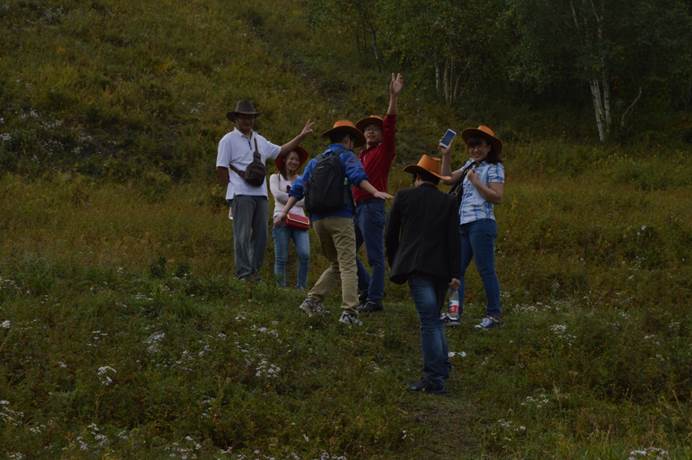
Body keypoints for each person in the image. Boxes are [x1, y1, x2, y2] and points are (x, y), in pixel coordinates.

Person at [274, 120, 392, 326]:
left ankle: (312, 300)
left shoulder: (315, 161)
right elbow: (357, 177)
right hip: (341, 217)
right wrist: (374, 191)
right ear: (347, 139)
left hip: (318, 221)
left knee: (337, 263)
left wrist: (284, 211)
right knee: (347, 265)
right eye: (352, 141)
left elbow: (298, 188)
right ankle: (350, 312)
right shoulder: (347, 156)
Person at [385, 154, 460, 394]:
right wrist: (455, 273)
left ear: (417, 176)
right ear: (436, 179)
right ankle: (442, 368)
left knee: (429, 321)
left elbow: (390, 235)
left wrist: (395, 261)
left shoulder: (404, 197)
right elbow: (453, 240)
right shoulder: (447, 202)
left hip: (415, 266)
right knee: (434, 317)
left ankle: (434, 379)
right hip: (441, 269)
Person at [216, 100, 314, 281]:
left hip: (260, 195)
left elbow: (281, 150)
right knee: (242, 235)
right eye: (244, 117)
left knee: (261, 237)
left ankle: (254, 272)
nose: (247, 121)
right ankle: (244, 274)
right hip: (240, 194)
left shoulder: (259, 140)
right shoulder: (227, 140)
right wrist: (231, 189)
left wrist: (300, 137)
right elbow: (221, 168)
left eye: (250, 117)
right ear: (236, 119)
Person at [440, 125, 505, 329]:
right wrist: (446, 156)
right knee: (455, 272)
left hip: (482, 223)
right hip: (463, 223)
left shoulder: (495, 168)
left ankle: (494, 315)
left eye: (479, 146)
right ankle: (454, 314)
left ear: (489, 147)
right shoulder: (469, 164)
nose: (475, 150)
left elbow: (497, 197)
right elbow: (447, 179)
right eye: (471, 146)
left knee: (486, 270)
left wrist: (477, 182)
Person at [353, 73, 404, 313]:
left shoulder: (384, 152)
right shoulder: (360, 156)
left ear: (382, 134)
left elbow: (391, 123)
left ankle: (374, 300)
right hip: (356, 207)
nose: (371, 132)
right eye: (367, 129)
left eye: (375, 129)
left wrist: (393, 97)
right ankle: (367, 288)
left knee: (375, 256)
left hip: (373, 207)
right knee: (345, 252)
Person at [269, 147, 310, 289]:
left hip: (300, 220)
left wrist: (291, 199)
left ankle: (301, 288)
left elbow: (307, 201)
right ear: (284, 160)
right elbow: (277, 195)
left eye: (297, 160)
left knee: (305, 255)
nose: (294, 162)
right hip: (281, 220)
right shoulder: (275, 177)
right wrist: (296, 197)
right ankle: (281, 290)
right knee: (281, 258)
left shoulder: (302, 179)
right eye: (291, 158)